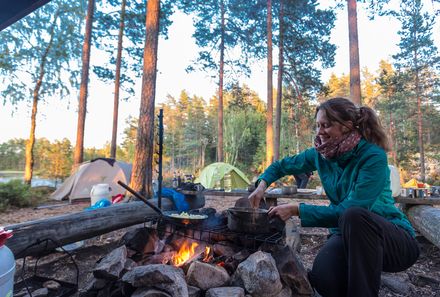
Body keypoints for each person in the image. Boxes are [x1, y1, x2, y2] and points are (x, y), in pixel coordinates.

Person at [248, 98, 419, 297]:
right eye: (318, 125)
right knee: (324, 280)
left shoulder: (372, 156)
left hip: (393, 241)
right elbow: (282, 166)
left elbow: (351, 209)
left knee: (354, 215)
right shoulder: (321, 154)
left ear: (346, 126)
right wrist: (261, 185)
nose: (319, 131)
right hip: (346, 236)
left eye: (326, 125)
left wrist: (297, 209)